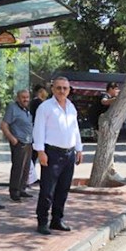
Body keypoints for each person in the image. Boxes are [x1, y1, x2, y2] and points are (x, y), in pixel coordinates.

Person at [33, 77, 83, 235]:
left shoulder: (71, 107)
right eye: (59, 88)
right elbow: (38, 130)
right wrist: (40, 151)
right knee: (47, 190)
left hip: (68, 154)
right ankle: (42, 222)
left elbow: (75, 129)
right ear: (52, 89)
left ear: (69, 90)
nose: (62, 91)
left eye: (65, 88)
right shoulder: (45, 107)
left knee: (63, 189)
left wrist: (79, 149)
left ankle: (57, 220)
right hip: (51, 153)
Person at [0, 89, 34, 202]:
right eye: (23, 97)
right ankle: (14, 191)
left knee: (26, 168)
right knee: (18, 167)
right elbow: (4, 125)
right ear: (18, 98)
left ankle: (22, 189)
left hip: (28, 142)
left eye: (27, 97)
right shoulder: (12, 108)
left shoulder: (26, 110)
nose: (26, 99)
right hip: (19, 142)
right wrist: (12, 139)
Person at [27, 84, 49, 185]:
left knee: (34, 155)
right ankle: (30, 177)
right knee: (35, 154)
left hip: (33, 130)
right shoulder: (38, 103)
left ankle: (31, 176)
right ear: (40, 91)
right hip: (36, 132)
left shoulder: (34, 102)